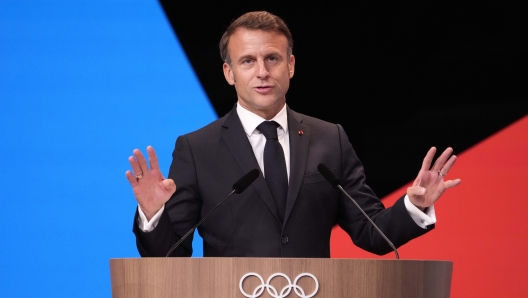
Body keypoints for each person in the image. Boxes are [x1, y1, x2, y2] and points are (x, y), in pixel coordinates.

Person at [126, 11, 461, 257]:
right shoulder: (196, 149)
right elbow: (170, 256)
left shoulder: (331, 139)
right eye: (247, 61)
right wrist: (153, 215)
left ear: (291, 65)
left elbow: (370, 232)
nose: (262, 72)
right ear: (229, 73)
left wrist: (414, 206)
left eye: (272, 58)